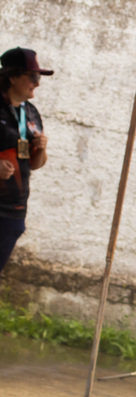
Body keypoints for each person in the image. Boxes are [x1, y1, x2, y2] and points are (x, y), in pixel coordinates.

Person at [0, 47, 51, 277]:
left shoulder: (30, 113)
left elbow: (34, 164)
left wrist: (42, 149)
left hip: (13, 212)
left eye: (38, 77)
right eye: (32, 76)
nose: (37, 83)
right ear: (12, 77)